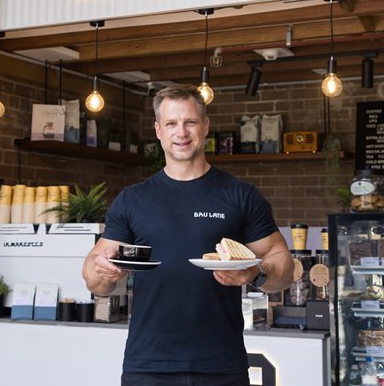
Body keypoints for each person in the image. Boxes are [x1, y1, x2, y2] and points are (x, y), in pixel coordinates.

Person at [83, 84, 293, 386]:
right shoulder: (133, 199)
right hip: (149, 365)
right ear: (158, 130)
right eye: (171, 123)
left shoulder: (240, 195)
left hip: (222, 365)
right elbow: (95, 279)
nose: (181, 132)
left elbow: (283, 267)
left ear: (205, 126)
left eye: (190, 122)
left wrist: (256, 271)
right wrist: (103, 270)